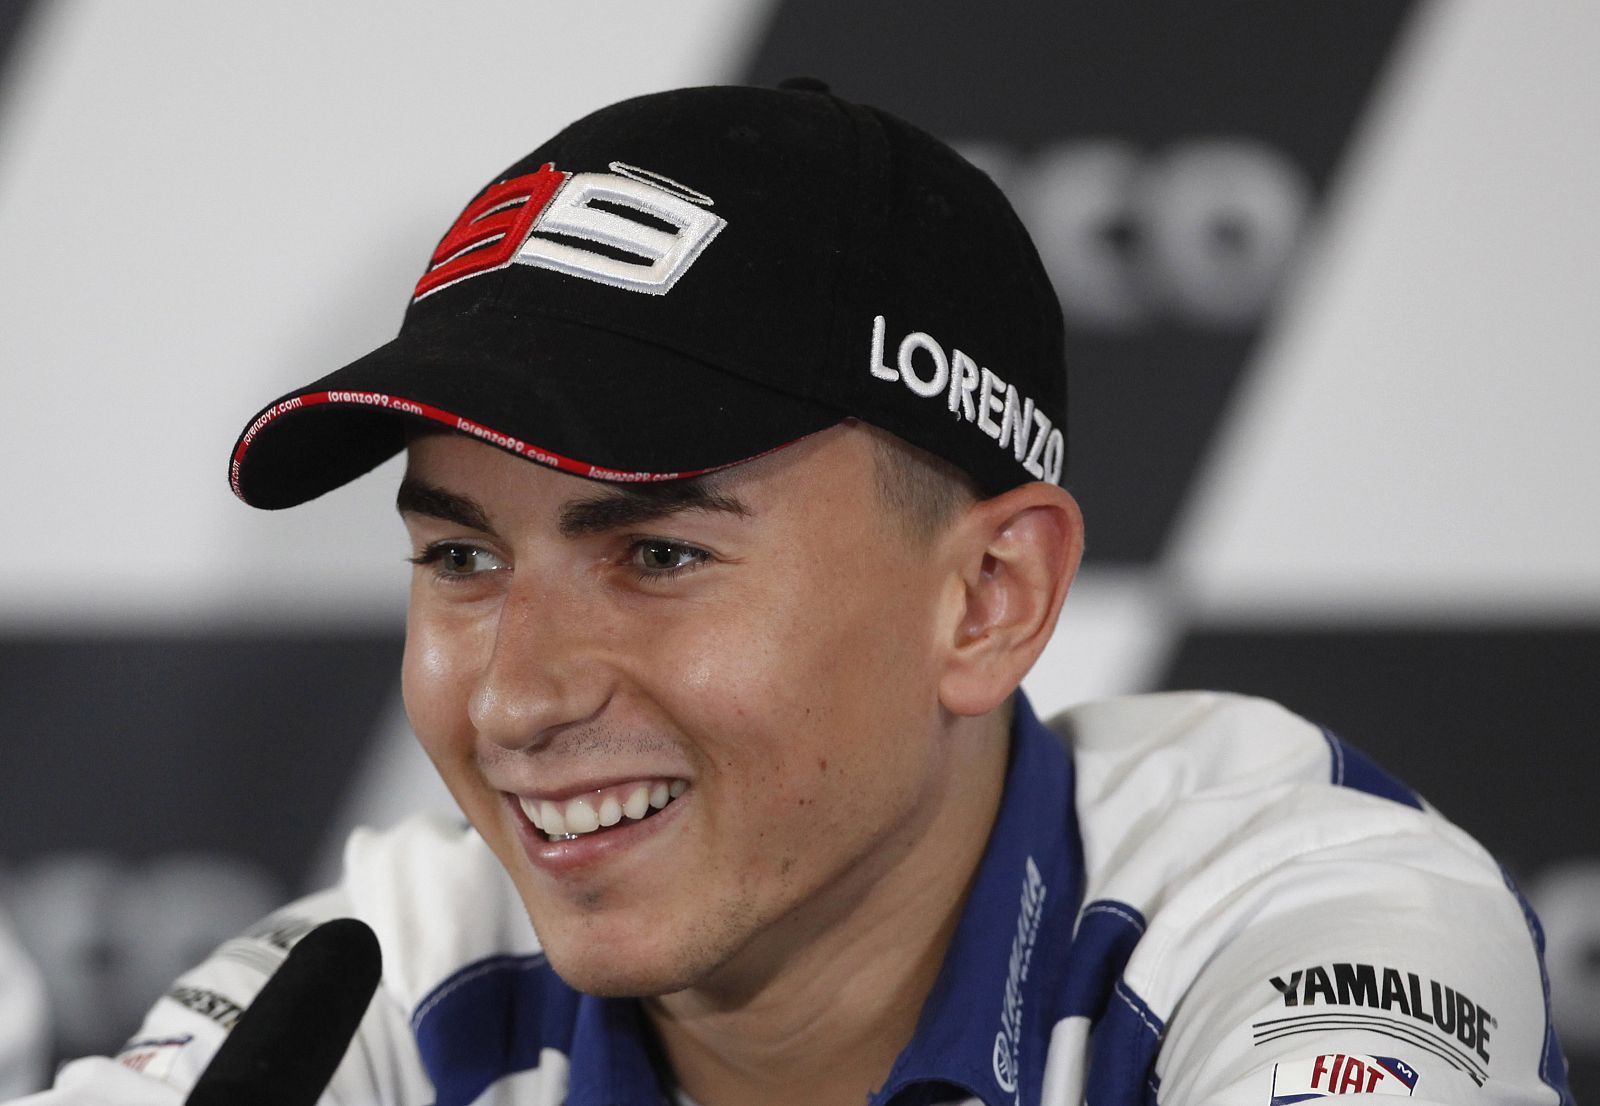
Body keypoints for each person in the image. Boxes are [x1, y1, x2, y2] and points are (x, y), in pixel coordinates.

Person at [13, 81, 1571, 1106]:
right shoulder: (404, 972)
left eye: (660, 554)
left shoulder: (1307, 926)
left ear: (988, 597)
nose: (518, 694)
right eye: (461, 558)